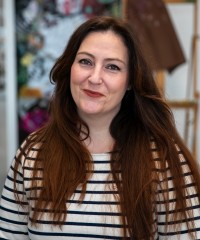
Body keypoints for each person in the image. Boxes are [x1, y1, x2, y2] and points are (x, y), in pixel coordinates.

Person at [0, 16, 200, 240]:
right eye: (86, 61)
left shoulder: (164, 159)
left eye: (112, 67)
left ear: (131, 81)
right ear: (70, 68)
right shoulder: (33, 152)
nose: (95, 77)